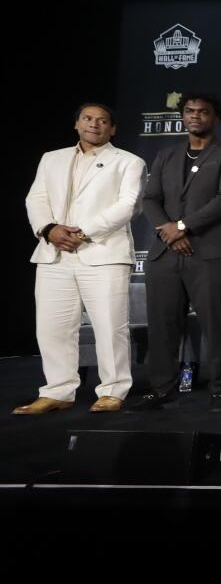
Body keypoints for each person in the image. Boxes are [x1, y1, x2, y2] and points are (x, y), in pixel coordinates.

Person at [16, 103, 144, 414]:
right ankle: (57, 391)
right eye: (87, 119)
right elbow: (36, 198)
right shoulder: (52, 159)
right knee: (52, 327)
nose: (94, 125)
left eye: (102, 121)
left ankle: (113, 391)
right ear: (77, 124)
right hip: (53, 253)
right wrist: (48, 229)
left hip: (103, 254)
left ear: (112, 129)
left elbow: (128, 206)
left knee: (110, 326)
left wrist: (81, 232)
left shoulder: (128, 161)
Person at [134, 93, 221, 413]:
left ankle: (220, 388)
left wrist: (182, 226)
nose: (195, 116)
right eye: (189, 111)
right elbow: (150, 199)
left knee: (215, 324)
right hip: (166, 254)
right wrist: (170, 232)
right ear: (183, 116)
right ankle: (162, 388)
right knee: (162, 325)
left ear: (216, 118)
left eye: (203, 112)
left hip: (209, 252)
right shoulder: (166, 155)